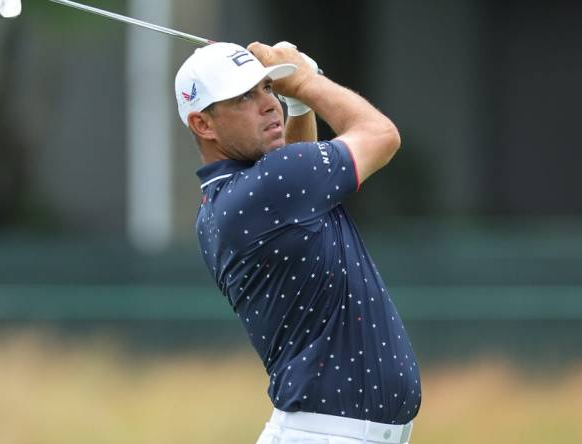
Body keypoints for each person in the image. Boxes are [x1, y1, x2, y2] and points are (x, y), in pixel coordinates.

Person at [174, 41, 421, 444]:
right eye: (243, 97)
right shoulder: (273, 184)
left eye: (268, 88)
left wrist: (301, 106)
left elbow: (296, 173)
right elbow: (382, 135)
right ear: (204, 125)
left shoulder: (225, 203)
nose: (268, 104)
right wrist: (304, 82)